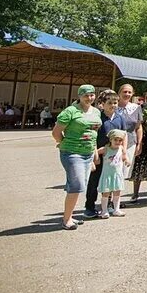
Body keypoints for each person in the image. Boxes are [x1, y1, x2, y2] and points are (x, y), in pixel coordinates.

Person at [53, 84, 102, 230]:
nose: (89, 98)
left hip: (88, 153)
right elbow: (56, 132)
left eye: (92, 95)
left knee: (78, 185)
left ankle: (69, 215)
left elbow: (94, 134)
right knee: (77, 185)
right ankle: (66, 220)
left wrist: (94, 155)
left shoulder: (96, 112)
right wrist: (64, 143)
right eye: (86, 95)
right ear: (79, 96)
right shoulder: (70, 111)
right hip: (72, 153)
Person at [84, 90, 127, 218]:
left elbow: (124, 136)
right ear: (102, 104)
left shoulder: (120, 118)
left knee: (112, 181)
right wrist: (95, 156)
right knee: (94, 181)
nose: (113, 105)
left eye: (115, 103)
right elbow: (92, 137)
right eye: (110, 103)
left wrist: (123, 152)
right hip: (100, 155)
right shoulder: (98, 118)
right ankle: (89, 207)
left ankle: (109, 206)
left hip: (114, 157)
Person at [116, 84, 143, 182]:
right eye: (124, 92)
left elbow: (139, 127)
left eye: (129, 92)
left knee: (125, 171)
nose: (127, 94)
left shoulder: (136, 108)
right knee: (113, 169)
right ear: (119, 93)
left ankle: (117, 195)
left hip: (131, 142)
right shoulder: (113, 106)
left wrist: (139, 143)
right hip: (115, 142)